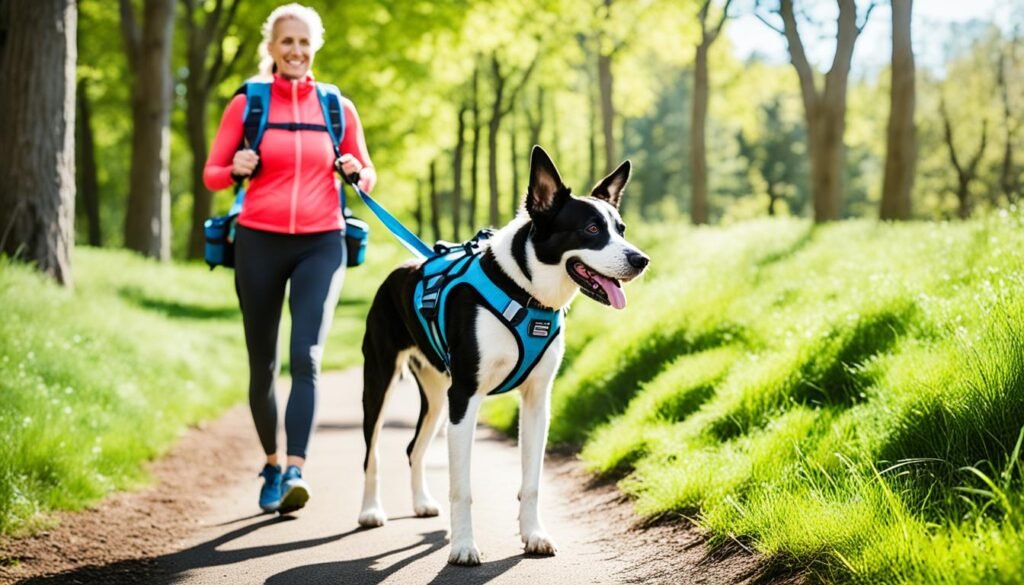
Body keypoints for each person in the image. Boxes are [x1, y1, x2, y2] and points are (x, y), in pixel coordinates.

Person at [203, 3, 377, 514]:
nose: (296, 51)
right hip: (258, 240)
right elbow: (213, 174)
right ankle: (273, 464)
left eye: (304, 42)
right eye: (286, 42)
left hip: (322, 241)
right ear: (272, 47)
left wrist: (355, 171)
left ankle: (297, 469)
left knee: (307, 356)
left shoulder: (336, 106)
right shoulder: (248, 103)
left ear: (314, 46)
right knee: (263, 363)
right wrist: (234, 166)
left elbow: (367, 173)